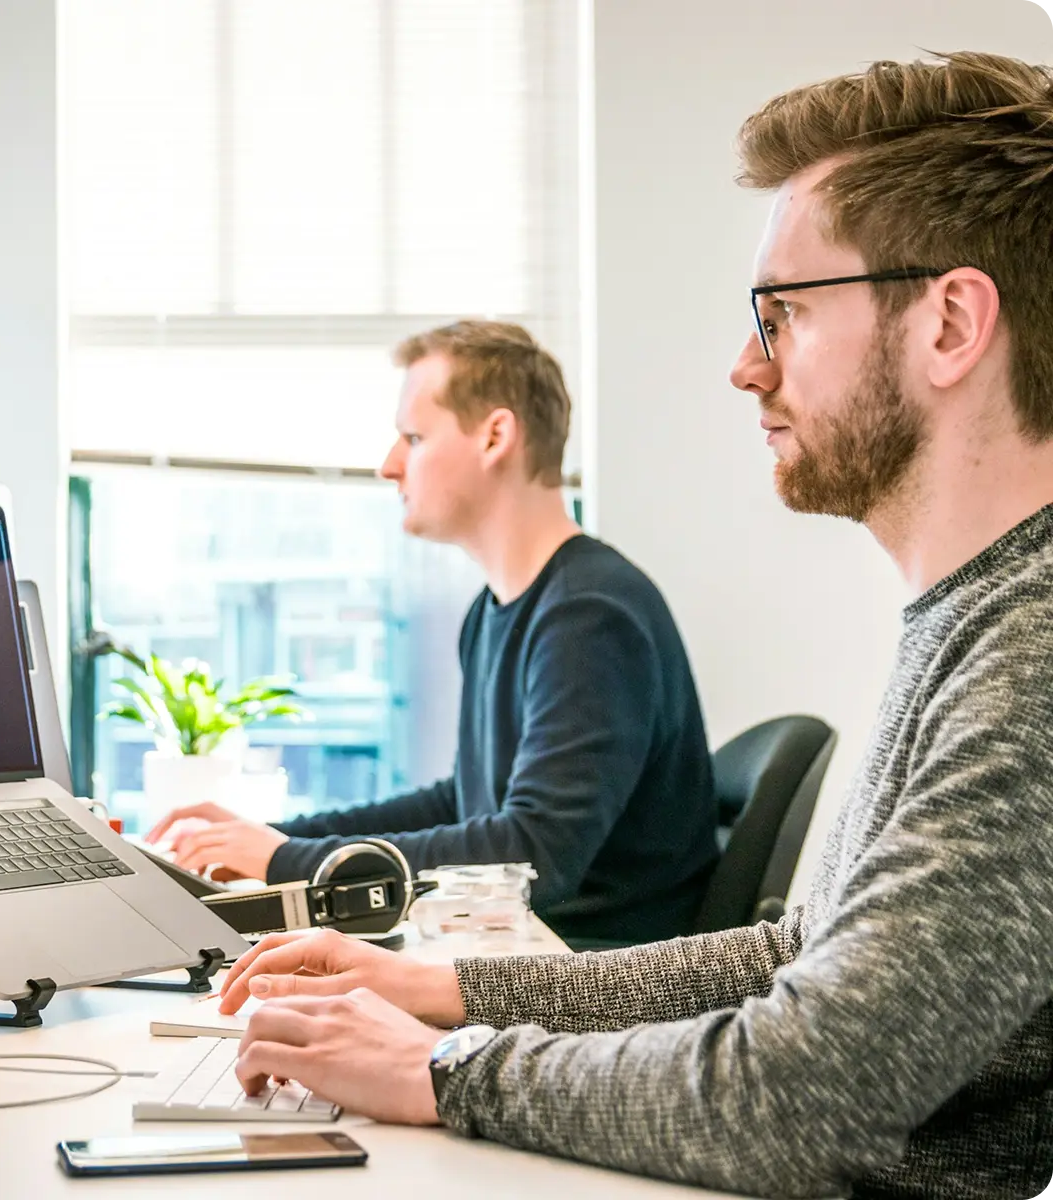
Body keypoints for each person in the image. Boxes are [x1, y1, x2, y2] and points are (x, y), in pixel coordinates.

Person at [211, 52, 1053, 1198]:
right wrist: (447, 993)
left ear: (950, 321)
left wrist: (448, 1069)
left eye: (785, 314)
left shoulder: (1030, 660)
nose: (746, 367)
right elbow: (795, 955)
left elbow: (802, 1093)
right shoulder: (972, 619)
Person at [149, 320, 719, 946]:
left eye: (414, 437)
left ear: (495, 436)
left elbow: (533, 855)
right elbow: (465, 804)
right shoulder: (498, 609)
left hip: (591, 975)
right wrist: (280, 840)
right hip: (525, 948)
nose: (388, 466)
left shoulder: (590, 616)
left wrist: (288, 863)